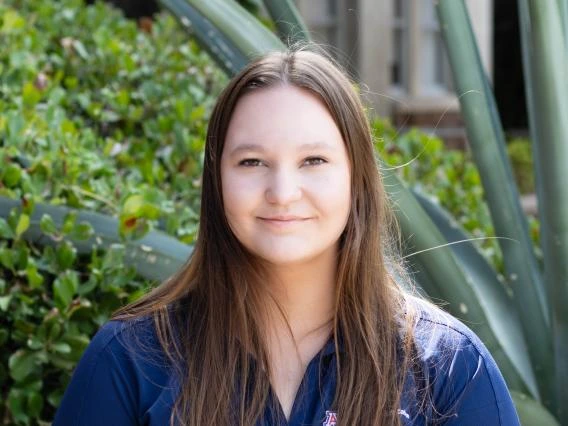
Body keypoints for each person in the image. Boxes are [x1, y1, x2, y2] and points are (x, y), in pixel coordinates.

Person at [53, 49, 520, 426]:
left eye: (313, 161)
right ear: (216, 181)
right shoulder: (131, 360)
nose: (282, 193)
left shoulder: (447, 369)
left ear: (357, 179)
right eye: (251, 162)